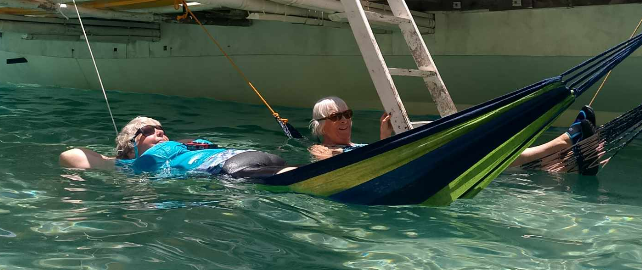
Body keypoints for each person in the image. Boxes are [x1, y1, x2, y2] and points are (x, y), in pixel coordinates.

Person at [306, 96, 598, 173]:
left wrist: (385, 136)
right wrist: (385, 141)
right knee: (483, 156)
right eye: (336, 117)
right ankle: (564, 143)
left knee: (487, 157)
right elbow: (340, 166)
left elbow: (381, 160)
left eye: (347, 114)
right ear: (322, 125)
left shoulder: (358, 143)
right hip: (418, 173)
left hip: (419, 167)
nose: (344, 120)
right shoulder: (319, 149)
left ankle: (570, 160)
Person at [59, 116, 293, 178]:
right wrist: (118, 157)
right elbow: (70, 156)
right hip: (237, 167)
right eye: (148, 131)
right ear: (131, 147)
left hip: (238, 162)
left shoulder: (184, 149)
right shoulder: (128, 163)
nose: (159, 132)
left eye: (161, 129)